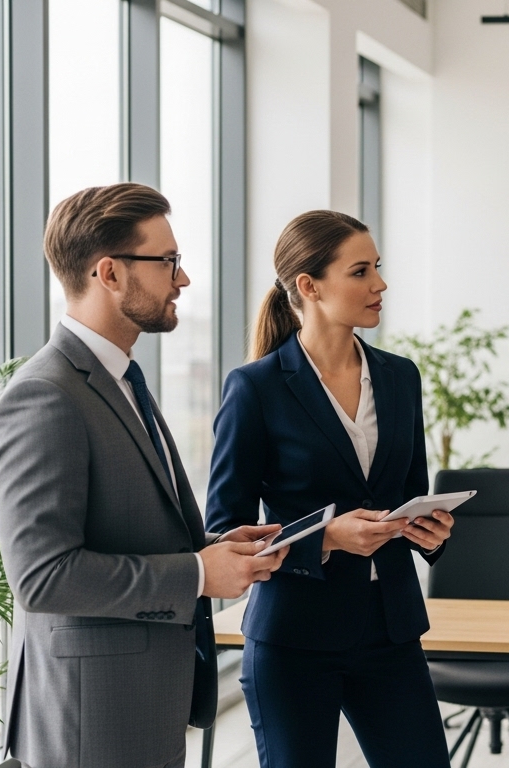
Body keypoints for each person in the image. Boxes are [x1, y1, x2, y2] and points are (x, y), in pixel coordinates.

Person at [0, 183, 286, 768]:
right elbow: (44, 578)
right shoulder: (44, 397)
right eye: (168, 261)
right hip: (89, 719)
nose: (183, 279)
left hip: (140, 701)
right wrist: (199, 574)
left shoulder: (121, 380)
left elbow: (125, 530)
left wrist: (212, 548)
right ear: (110, 273)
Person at [205, 210, 454, 768]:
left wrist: (429, 532)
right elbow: (224, 531)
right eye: (361, 271)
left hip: (390, 632)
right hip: (294, 639)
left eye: (378, 268)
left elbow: (409, 491)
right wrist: (326, 540)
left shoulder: (399, 377)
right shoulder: (255, 388)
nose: (380, 284)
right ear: (309, 286)